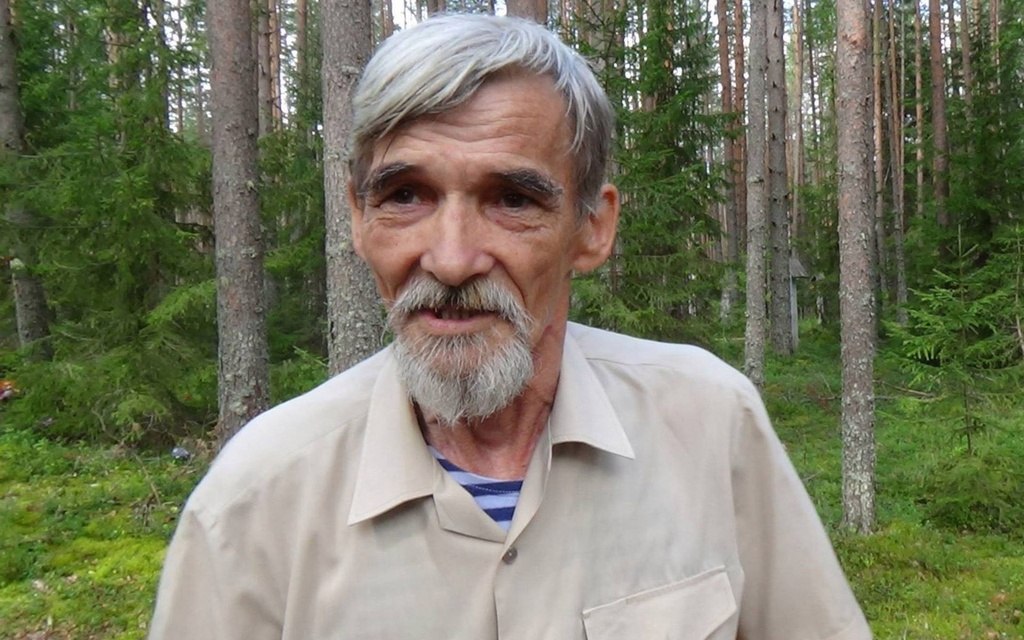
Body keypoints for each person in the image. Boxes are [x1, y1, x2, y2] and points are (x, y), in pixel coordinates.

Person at [149, 14, 871, 640]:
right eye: (406, 195)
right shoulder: (255, 501)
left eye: (512, 200)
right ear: (360, 218)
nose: (452, 258)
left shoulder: (709, 423)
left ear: (592, 228)